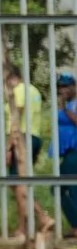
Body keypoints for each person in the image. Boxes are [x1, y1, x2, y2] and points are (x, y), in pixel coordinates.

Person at [5, 63, 52, 245]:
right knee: (17, 183)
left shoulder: (18, 91)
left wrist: (9, 146)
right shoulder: (34, 91)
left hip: (22, 139)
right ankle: (24, 227)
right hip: (34, 137)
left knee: (18, 183)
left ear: (11, 78)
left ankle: (40, 219)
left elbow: (16, 117)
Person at [57, 72, 77, 237]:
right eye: (61, 86)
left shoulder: (74, 104)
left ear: (74, 87)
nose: (63, 89)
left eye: (66, 86)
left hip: (74, 152)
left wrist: (64, 109)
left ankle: (75, 226)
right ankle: (75, 225)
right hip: (67, 152)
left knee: (69, 187)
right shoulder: (67, 104)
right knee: (59, 188)